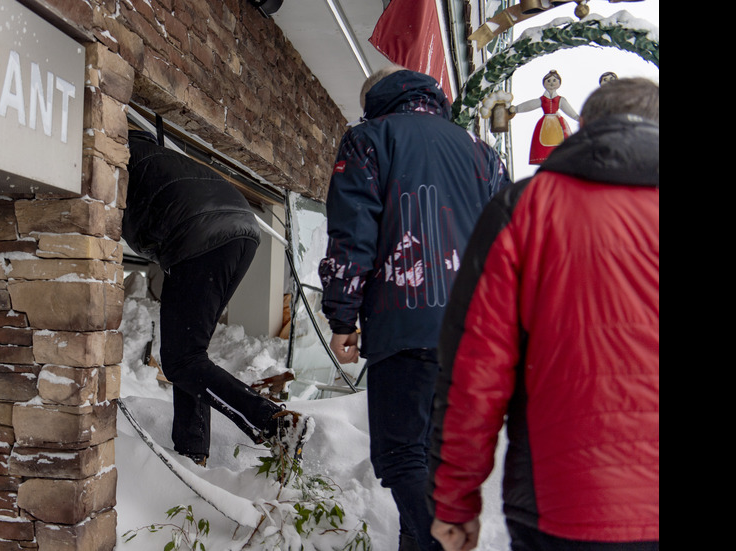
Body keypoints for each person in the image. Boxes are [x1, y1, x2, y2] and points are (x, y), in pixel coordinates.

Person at [427, 78, 659, 551]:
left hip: (566, 504)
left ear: (586, 128)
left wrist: (455, 500)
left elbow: (477, 369)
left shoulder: (527, 207)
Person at [318, 67, 511, 551]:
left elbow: (352, 232)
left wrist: (343, 315)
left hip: (408, 319)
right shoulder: (482, 153)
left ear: (374, 101)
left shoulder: (369, 139)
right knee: (433, 457)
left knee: (401, 455)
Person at [123, 128, 312, 472]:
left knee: (181, 361)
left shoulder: (118, 159)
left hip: (198, 234)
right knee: (190, 356)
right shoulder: (160, 158)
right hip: (242, 230)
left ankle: (274, 423)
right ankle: (193, 451)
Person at [509, 70, 580, 164]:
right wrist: (517, 109)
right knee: (544, 144)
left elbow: (569, 111)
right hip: (545, 124)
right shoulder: (542, 100)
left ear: (559, 83)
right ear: (544, 83)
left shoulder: (560, 100)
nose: (551, 83)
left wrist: (578, 118)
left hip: (558, 125)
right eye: (548, 80)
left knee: (560, 142)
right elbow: (531, 104)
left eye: (554, 80)